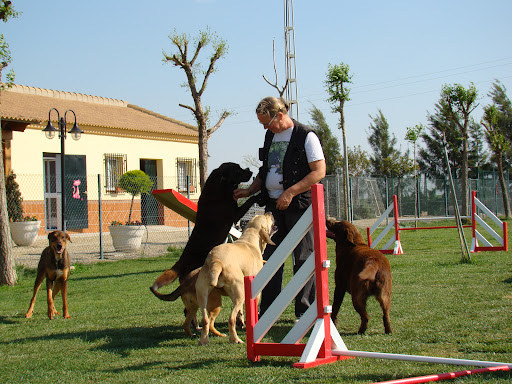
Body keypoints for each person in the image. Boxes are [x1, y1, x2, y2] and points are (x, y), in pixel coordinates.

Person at [233, 96, 326, 319]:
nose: (265, 128)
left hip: (300, 208)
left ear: (280, 115)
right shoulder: (270, 136)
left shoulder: (306, 136)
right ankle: (268, 312)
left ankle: (305, 313)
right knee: (269, 259)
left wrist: (291, 192)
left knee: (303, 258)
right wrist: (250, 189)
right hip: (272, 209)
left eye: (267, 123)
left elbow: (319, 171)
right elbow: (266, 169)